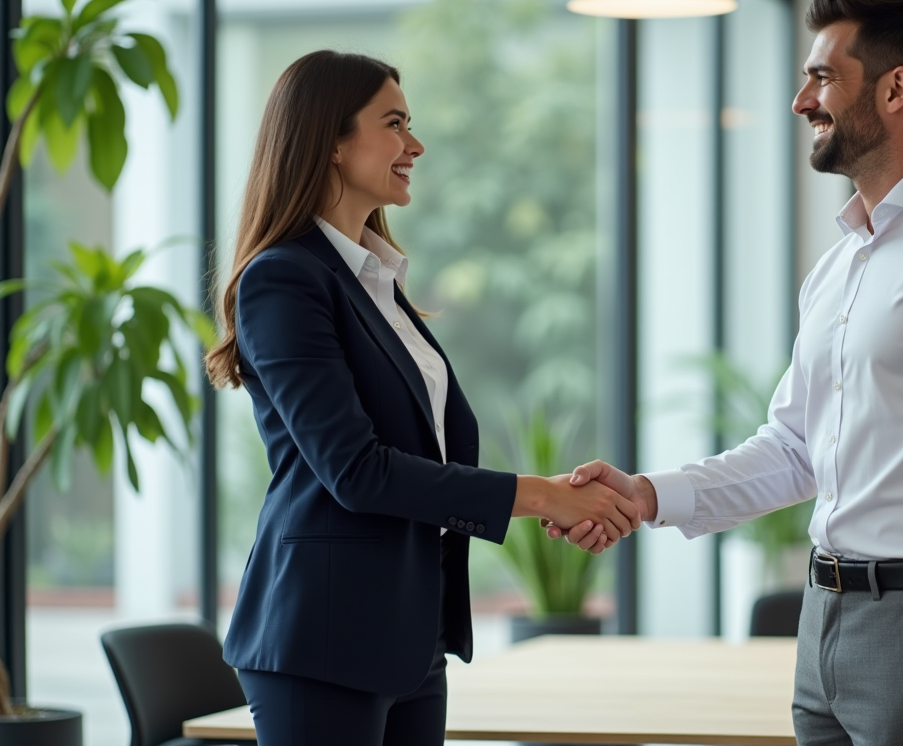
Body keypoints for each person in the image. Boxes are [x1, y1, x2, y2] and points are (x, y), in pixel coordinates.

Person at [549, 0, 903, 745]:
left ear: (896, 89)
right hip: (823, 618)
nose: (802, 101)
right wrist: (645, 496)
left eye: (824, 77)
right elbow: (795, 449)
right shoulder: (839, 266)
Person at [203, 50, 639, 746]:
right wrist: (540, 495)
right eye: (395, 124)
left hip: (408, 633)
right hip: (324, 636)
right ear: (332, 141)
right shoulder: (284, 279)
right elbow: (356, 471)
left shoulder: (376, 281)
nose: (416, 144)